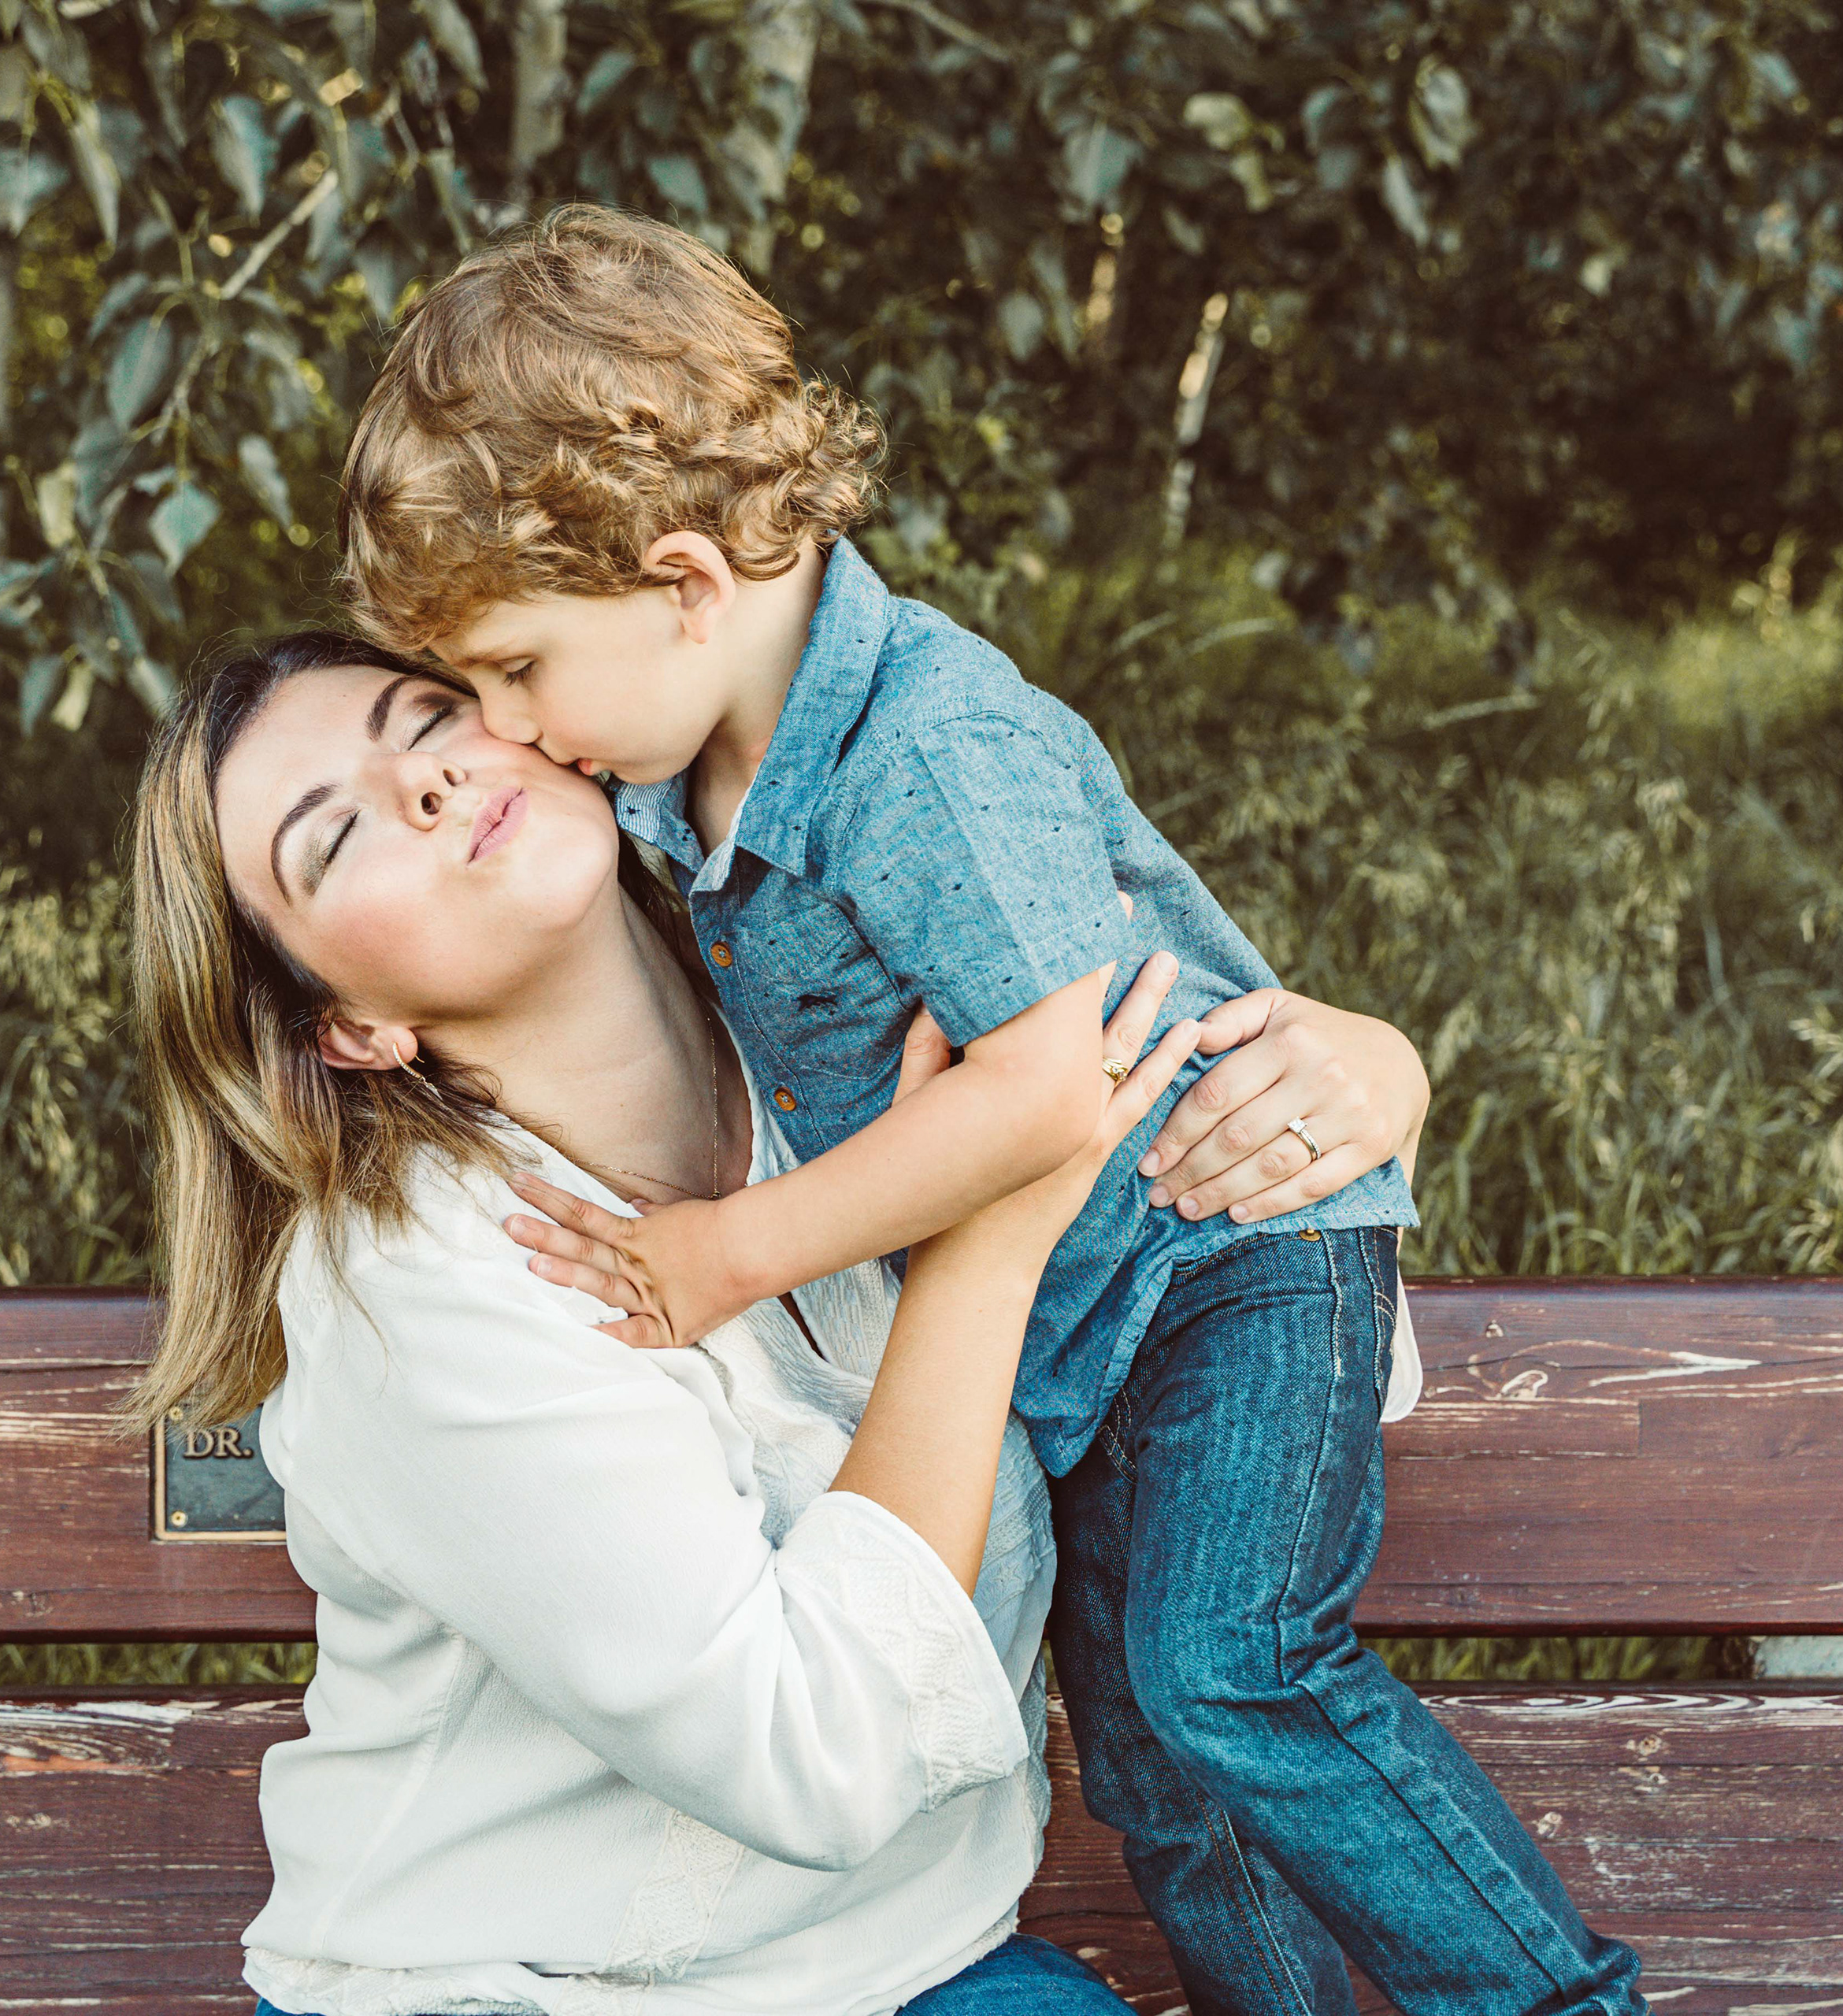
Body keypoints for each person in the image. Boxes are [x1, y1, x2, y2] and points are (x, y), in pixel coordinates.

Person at [332, 206, 1648, 2016]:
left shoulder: (922, 750)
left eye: (519, 669)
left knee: (1230, 1671)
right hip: (1084, 1324)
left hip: (1221, 1259)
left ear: (687, 582)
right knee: (1160, 1770)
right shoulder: (665, 786)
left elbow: (1050, 1082)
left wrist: (732, 1252)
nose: (510, 728)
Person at [122, 630, 1439, 2016]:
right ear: (347, 1029)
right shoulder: (416, 1287)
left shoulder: (842, 1012)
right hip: (506, 1991)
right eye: (335, 838)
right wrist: (985, 1245)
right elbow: (814, 1763)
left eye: (430, 719)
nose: (426, 785)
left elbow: (1219, 1326)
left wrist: (1361, 1090)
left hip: (909, 1966)